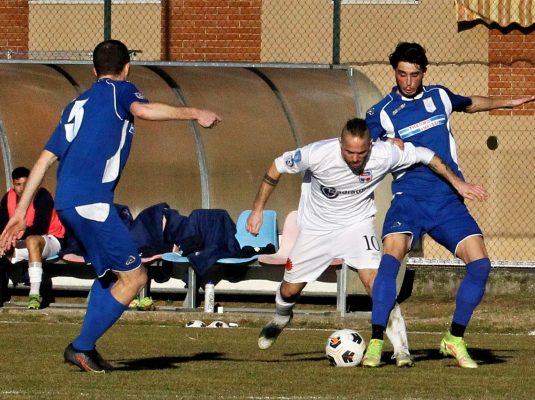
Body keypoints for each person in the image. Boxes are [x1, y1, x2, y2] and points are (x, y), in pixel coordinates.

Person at [0, 39, 221, 373]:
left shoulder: (76, 104)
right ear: (127, 67)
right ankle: (81, 347)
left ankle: (85, 348)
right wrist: (195, 113)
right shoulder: (121, 91)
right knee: (135, 279)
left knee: (108, 278)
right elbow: (144, 110)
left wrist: (19, 212)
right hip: (92, 202)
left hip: (67, 203)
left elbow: (44, 161)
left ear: (93, 70)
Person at [246, 117, 487, 367]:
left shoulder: (384, 153)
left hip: (357, 226)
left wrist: (458, 183)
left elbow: (426, 155)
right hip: (316, 230)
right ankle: (281, 317)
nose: (354, 158)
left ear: (371, 146)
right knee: (289, 290)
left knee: (377, 282)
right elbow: (276, 167)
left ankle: (401, 349)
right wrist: (257, 210)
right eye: (349, 151)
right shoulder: (316, 153)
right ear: (340, 143)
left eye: (361, 153)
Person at [362, 42, 535, 368]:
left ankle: (454, 338)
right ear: (394, 73)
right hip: (408, 198)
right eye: (402, 74)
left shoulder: (438, 96)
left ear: (423, 73)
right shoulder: (381, 112)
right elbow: (356, 143)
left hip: (447, 200)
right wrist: (382, 142)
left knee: (481, 264)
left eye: (414, 74)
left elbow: (469, 103)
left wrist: (507, 102)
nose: (408, 81)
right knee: (389, 261)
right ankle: (374, 342)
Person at [0, 167, 65, 309]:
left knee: (32, 240)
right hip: (21, 242)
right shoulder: (8, 198)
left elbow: (40, 227)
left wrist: (15, 236)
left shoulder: (42, 195)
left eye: (26, 184)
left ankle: (34, 295)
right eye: (18, 184)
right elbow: (2, 225)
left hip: (51, 240)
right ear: (13, 184)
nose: (22, 188)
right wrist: (4, 241)